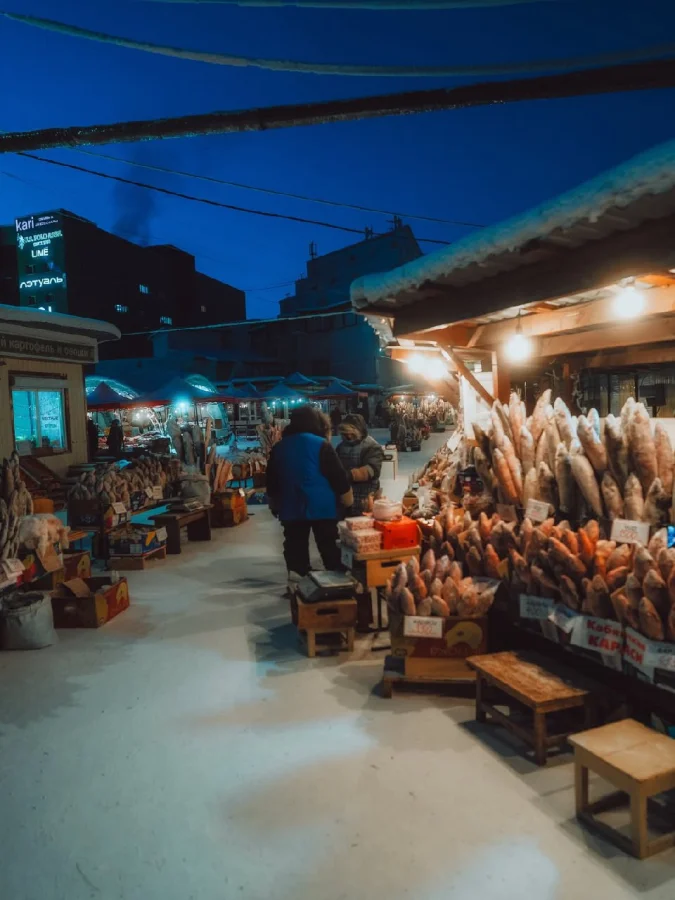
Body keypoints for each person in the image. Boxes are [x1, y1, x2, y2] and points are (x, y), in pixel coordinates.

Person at [267, 405, 353, 579]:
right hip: (322, 506)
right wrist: (347, 499)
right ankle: (336, 581)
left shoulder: (279, 447)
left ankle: (298, 581)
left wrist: (274, 503)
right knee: (329, 545)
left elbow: (271, 479)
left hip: (291, 506)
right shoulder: (321, 445)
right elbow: (337, 475)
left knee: (295, 547)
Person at [337, 414, 385, 514]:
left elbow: (372, 470)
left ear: (359, 431)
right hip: (346, 498)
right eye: (345, 433)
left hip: (366, 499)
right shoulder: (340, 447)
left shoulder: (372, 446)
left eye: (351, 433)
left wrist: (349, 475)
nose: (348, 436)